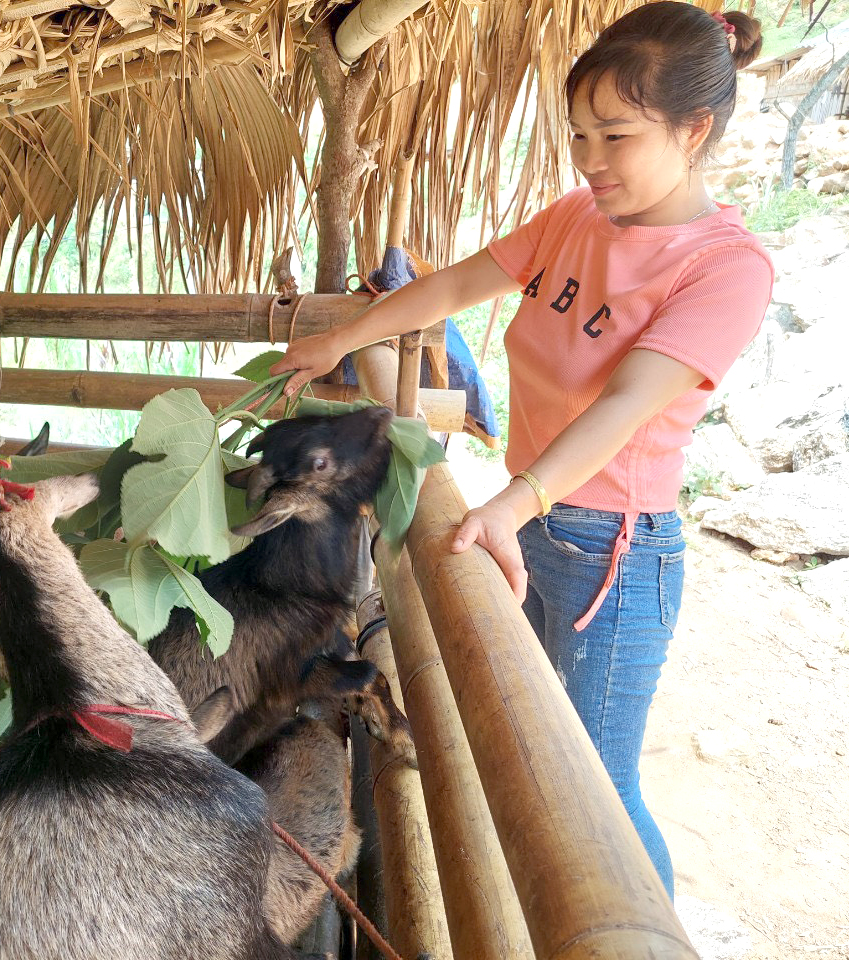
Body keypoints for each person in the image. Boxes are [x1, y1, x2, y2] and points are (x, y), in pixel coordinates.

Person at [272, 0, 769, 898]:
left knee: (598, 786)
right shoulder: (579, 214)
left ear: (694, 131)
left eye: (615, 136)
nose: (588, 159)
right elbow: (458, 283)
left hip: (613, 550)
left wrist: (512, 499)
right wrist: (344, 338)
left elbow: (625, 404)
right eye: (577, 134)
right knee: (548, 749)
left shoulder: (724, 268)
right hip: (537, 519)